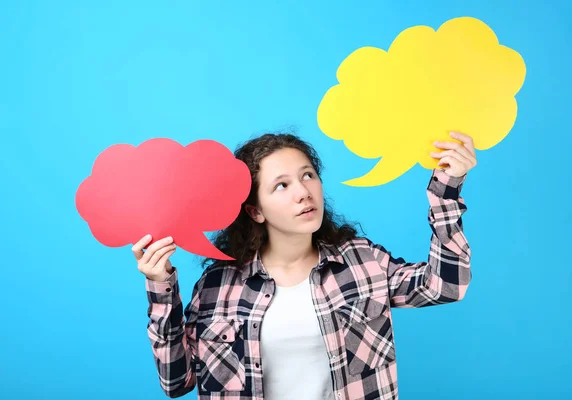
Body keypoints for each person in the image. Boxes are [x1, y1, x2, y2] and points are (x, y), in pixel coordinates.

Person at [133, 131, 476, 400]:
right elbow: (176, 382)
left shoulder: (360, 261)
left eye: (308, 175)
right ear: (256, 211)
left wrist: (446, 193)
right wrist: (161, 287)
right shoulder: (219, 285)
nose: (303, 192)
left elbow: (445, 285)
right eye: (281, 185)